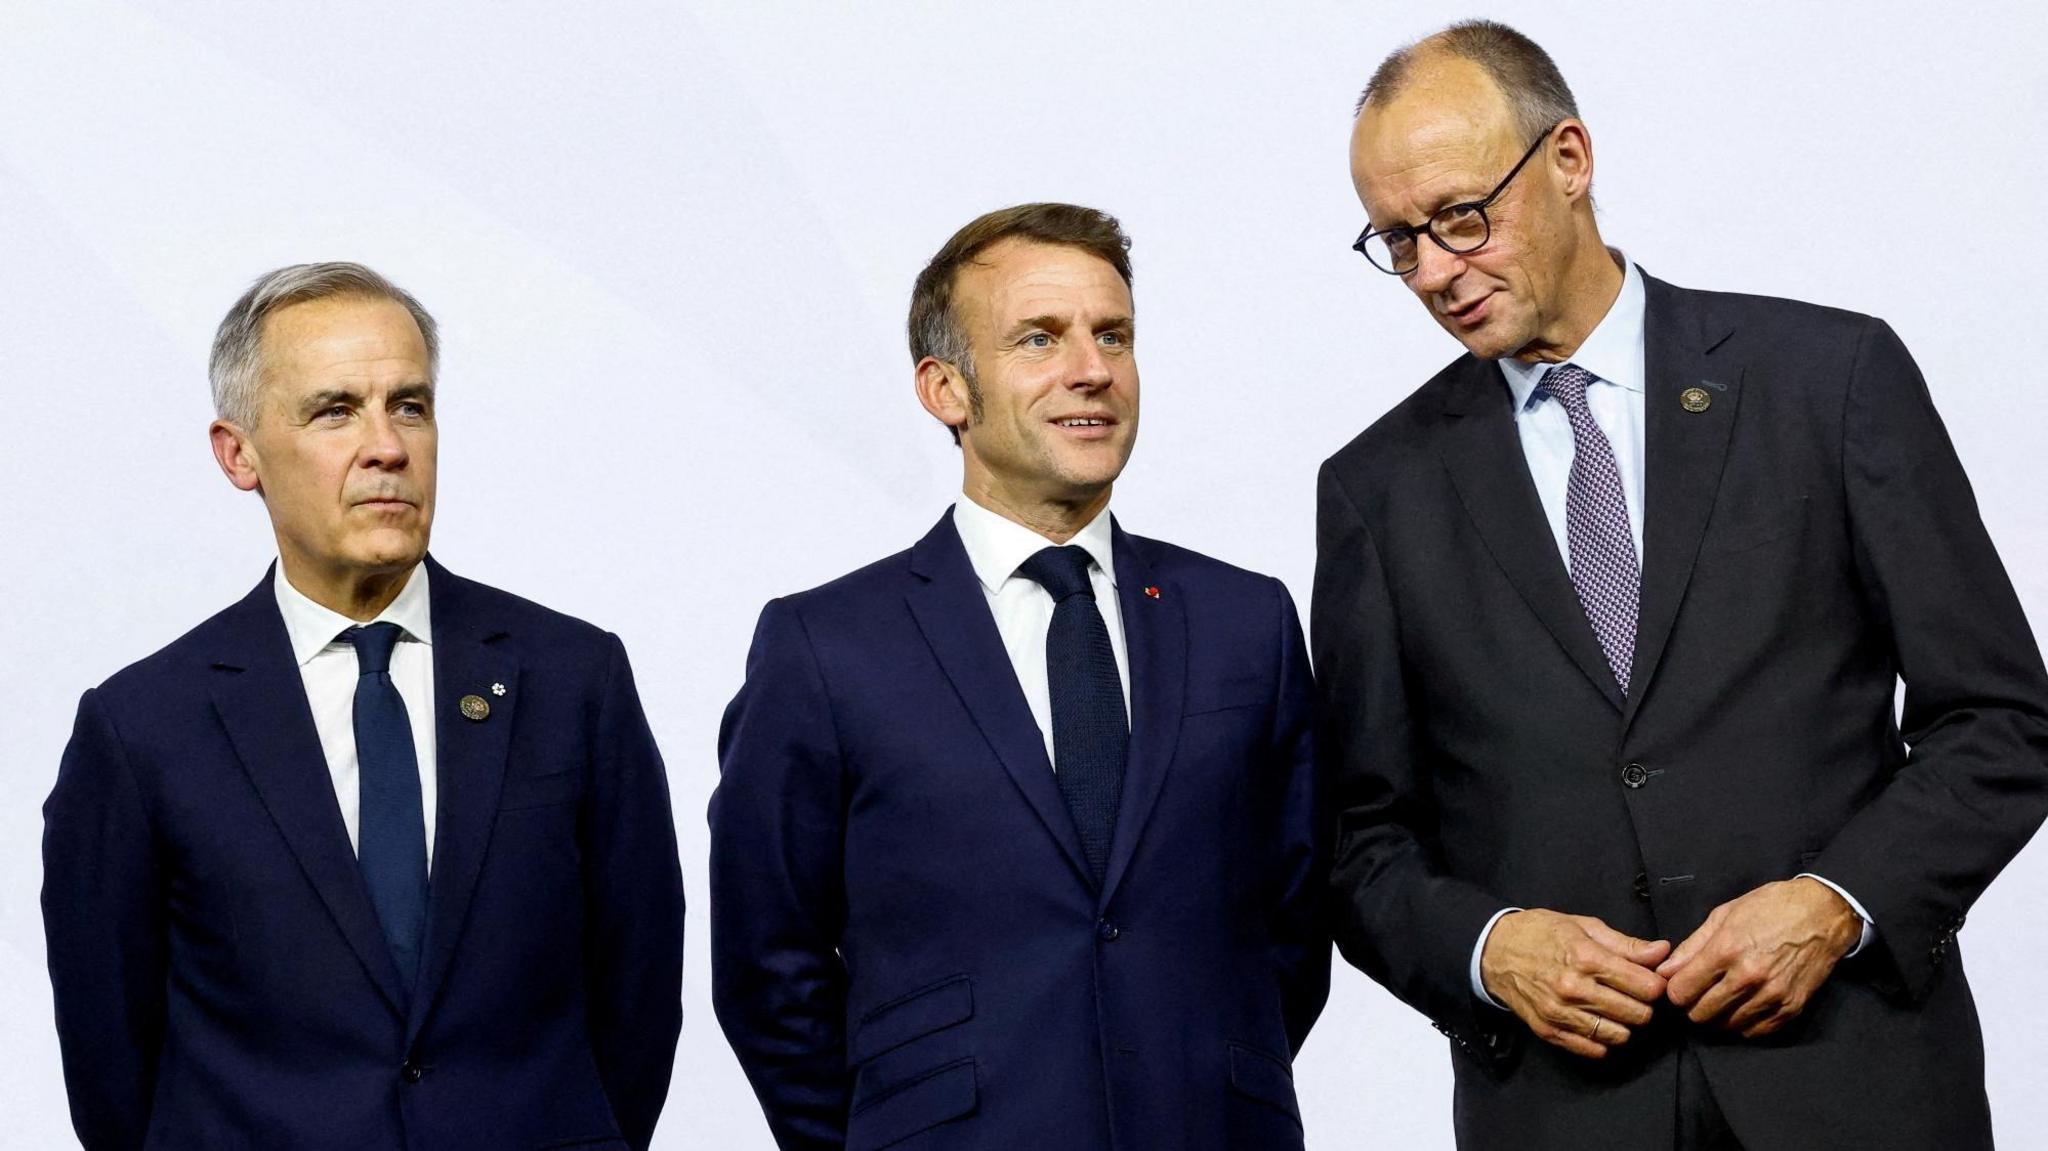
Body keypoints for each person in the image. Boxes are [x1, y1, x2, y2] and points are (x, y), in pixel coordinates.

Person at [1316, 20, 2048, 1149]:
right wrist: (1486, 943)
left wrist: (1836, 901)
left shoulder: (1827, 379)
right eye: (1397, 240)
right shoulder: (1377, 488)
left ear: (1568, 158)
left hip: (1853, 1088)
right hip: (1564, 1113)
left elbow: (2001, 720)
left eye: (1461, 217)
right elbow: (1361, 841)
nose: (1434, 272)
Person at [711, 203, 1327, 1150]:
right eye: (1040, 338)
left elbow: (1295, 924)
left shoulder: (1249, 622)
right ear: (946, 388)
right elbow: (768, 965)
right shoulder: (825, 647)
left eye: (1112, 335)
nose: (1092, 368)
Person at [41, 263, 686, 1151]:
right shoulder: (143, 727)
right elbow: (114, 1067)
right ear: (239, 453)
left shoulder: (574, 678)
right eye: (335, 409)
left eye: (410, 406)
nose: (387, 446)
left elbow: (638, 995)